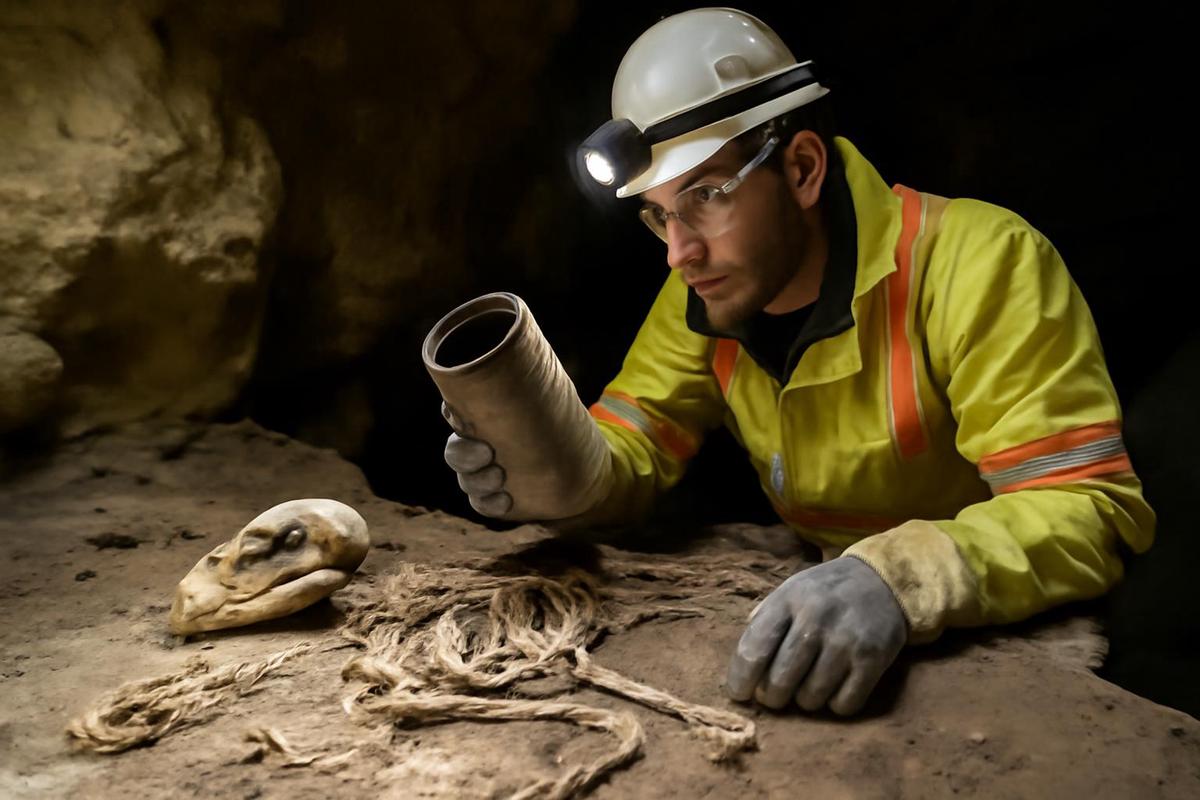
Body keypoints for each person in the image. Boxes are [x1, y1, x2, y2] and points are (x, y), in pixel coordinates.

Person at [442, 7, 1154, 716]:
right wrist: (552, 465)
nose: (678, 251)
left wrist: (899, 580)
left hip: (1002, 631)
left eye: (707, 195)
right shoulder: (708, 289)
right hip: (830, 615)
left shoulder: (981, 264)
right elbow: (636, 441)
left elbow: (1087, 510)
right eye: (659, 213)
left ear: (804, 168)